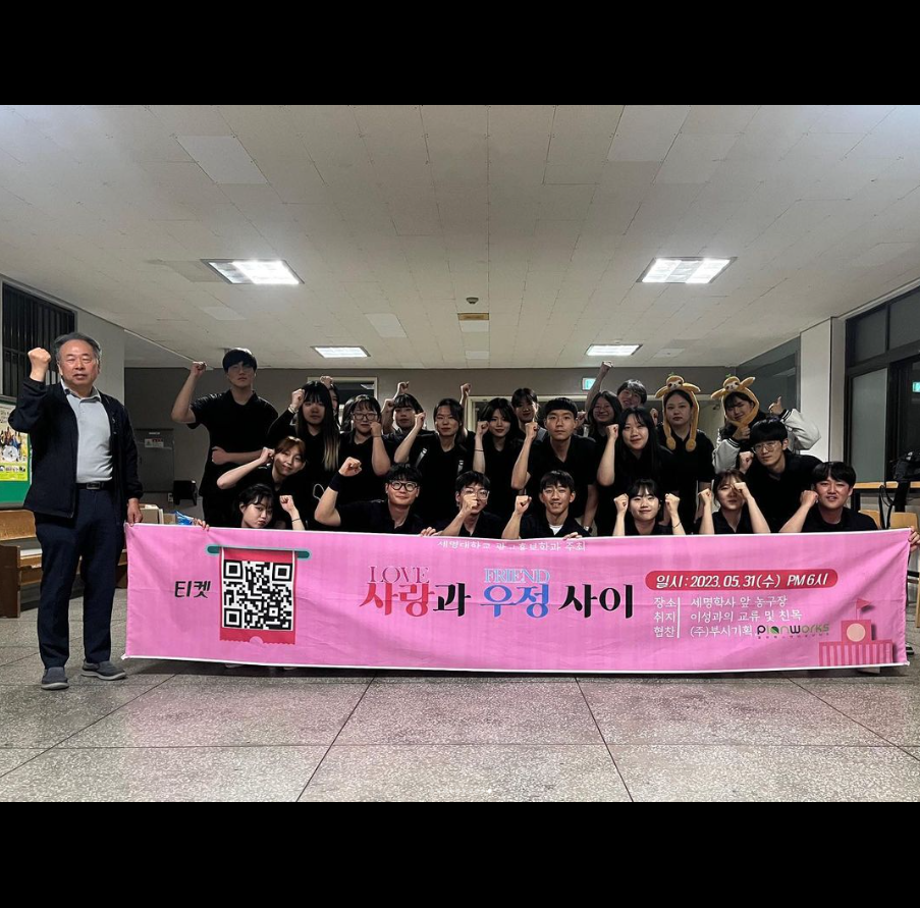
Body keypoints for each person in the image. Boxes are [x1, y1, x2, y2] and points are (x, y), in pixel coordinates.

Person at [9, 335, 143, 691]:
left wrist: (132, 497)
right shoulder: (48, 401)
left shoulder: (112, 407)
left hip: (104, 503)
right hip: (58, 507)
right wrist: (36, 373)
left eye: (86, 358)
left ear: (98, 365)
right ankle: (54, 662)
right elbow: (22, 420)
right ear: (59, 366)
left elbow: (127, 454)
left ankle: (97, 657)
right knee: (57, 584)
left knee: (102, 582)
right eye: (70, 359)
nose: (79, 365)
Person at [170, 349, 277, 527]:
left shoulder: (266, 411)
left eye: (246, 367)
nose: (241, 371)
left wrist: (229, 457)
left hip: (254, 490)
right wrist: (193, 376)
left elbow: (271, 453)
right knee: (217, 539)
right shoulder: (214, 403)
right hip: (216, 487)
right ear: (227, 374)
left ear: (254, 372)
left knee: (252, 539)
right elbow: (179, 415)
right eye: (234, 367)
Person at [511, 397, 599, 529]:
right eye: (553, 418)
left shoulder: (586, 447)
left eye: (566, 418)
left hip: (578, 518)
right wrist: (528, 440)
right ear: (545, 423)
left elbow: (593, 493)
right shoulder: (537, 449)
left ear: (575, 423)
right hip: (540, 521)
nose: (559, 423)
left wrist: (585, 529)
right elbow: (517, 484)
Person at [710, 375, 821, 474]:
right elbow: (720, 469)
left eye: (740, 405)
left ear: (752, 403)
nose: (736, 411)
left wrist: (784, 414)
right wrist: (734, 440)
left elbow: (811, 438)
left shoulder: (773, 423)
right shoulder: (725, 433)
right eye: (730, 408)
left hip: (782, 481)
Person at [266, 380, 340, 524]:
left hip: (325, 511)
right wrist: (292, 407)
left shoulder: (337, 439)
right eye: (308, 403)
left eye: (321, 404)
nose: (314, 409)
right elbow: (271, 438)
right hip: (289, 508)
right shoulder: (291, 434)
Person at [596, 407, 678, 536]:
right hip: (615, 525)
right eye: (627, 428)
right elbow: (605, 481)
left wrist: (662, 526)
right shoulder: (611, 453)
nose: (634, 433)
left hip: (654, 526)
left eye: (640, 426)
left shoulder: (664, 457)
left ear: (649, 429)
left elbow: (671, 494)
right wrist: (611, 439)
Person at [395, 399, 472, 525]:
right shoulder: (423, 442)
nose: (445, 422)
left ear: (459, 422)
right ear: (435, 422)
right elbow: (399, 459)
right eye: (440, 418)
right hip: (416, 514)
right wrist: (417, 427)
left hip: (449, 516)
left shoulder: (463, 453)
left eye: (451, 418)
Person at [780, 461, 907, 536]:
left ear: (850, 490)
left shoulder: (863, 524)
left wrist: (905, 546)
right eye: (824, 484)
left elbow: (880, 558)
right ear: (814, 489)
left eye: (840, 485)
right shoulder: (800, 520)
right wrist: (805, 506)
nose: (832, 490)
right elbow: (780, 546)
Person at [655, 375, 715, 532]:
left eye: (682, 406)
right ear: (665, 411)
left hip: (688, 510)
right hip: (656, 510)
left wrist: (702, 510)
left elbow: (705, 480)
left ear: (692, 409)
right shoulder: (656, 436)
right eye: (670, 408)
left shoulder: (701, 441)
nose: (676, 411)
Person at [742, 417, 822, 532]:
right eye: (758, 446)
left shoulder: (808, 466)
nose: (764, 451)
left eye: (770, 444)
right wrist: (742, 472)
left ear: (784, 444)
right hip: (767, 535)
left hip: (810, 532)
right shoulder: (752, 473)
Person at [314, 460, 429, 534]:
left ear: (417, 492)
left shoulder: (419, 525)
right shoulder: (366, 511)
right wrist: (340, 475)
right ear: (386, 488)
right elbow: (323, 516)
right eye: (396, 484)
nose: (402, 490)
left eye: (409, 485)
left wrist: (426, 542)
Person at [216, 437, 309, 528]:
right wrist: (260, 461)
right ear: (274, 453)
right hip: (232, 529)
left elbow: (283, 523)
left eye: (297, 458)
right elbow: (222, 483)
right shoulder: (257, 474)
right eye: (286, 454)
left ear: (302, 465)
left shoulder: (297, 489)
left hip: (266, 535)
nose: (289, 461)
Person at [471, 397, 523, 521]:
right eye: (494, 419)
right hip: (484, 509)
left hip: (513, 509)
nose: (499, 424)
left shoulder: (520, 446)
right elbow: (479, 474)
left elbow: (519, 484)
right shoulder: (478, 444)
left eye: (504, 419)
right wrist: (478, 437)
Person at [502, 471, 592, 540]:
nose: (555, 497)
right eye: (549, 491)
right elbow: (506, 547)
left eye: (561, 491)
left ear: (571, 497)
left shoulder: (579, 535)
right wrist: (517, 513)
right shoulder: (529, 524)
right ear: (541, 497)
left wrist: (576, 548)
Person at [336, 395, 391, 505]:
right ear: (352, 416)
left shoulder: (385, 442)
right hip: (344, 504)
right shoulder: (341, 440)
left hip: (376, 504)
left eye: (370, 414)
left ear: (378, 418)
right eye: (359, 414)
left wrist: (377, 436)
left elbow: (381, 471)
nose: (365, 419)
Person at [697, 471, 771, 535]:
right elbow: (706, 544)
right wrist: (707, 505)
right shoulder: (707, 520)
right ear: (716, 495)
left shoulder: (756, 519)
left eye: (738, 488)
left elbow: (765, 540)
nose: (732, 494)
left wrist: (749, 498)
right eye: (725, 488)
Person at [437, 472, 506, 538]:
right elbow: (443, 542)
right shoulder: (445, 520)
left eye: (482, 492)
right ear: (457, 496)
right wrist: (463, 512)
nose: (476, 497)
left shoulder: (495, 523)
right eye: (469, 492)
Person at [612, 480, 685, 536]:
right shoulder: (620, 531)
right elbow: (615, 549)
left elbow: (683, 548)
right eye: (637, 499)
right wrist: (620, 514)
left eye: (650, 498)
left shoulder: (667, 534)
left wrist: (674, 513)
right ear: (628, 506)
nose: (644, 504)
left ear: (659, 505)